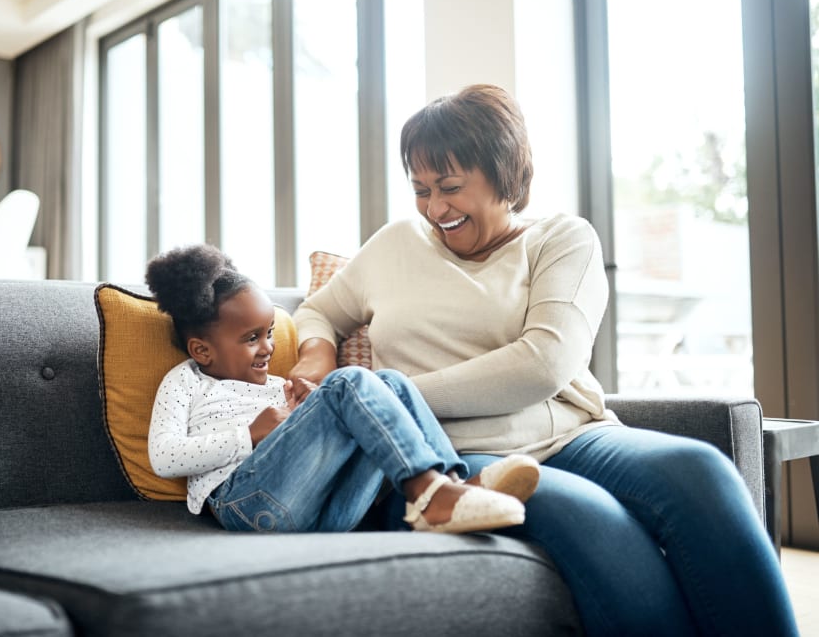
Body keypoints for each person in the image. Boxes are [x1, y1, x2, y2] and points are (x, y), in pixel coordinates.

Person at [288, 84, 799, 636]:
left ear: (505, 174)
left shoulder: (562, 240)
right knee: (592, 518)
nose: (435, 209)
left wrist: (393, 397)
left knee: (704, 473)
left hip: (574, 435)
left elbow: (543, 364)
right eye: (421, 189)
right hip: (452, 453)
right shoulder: (394, 246)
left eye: (451, 187)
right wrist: (315, 357)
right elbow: (319, 310)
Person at [145, 243, 540, 534]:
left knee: (391, 383)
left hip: (324, 512)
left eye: (268, 333)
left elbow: (313, 457)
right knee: (347, 381)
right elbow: (164, 456)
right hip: (247, 505)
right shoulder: (186, 381)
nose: (269, 346)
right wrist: (249, 434)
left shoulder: (281, 388)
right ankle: (433, 496)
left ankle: (452, 486)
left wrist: (311, 414)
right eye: (252, 338)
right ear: (202, 350)